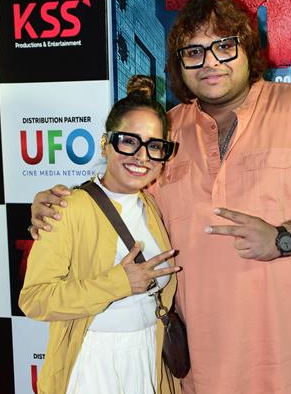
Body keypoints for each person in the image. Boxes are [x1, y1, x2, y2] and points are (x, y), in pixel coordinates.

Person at [29, 0, 291, 394]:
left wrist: (284, 238)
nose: (210, 62)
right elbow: (117, 196)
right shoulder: (164, 134)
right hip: (206, 375)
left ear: (247, 49)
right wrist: (59, 203)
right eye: (194, 51)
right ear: (180, 64)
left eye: (224, 46)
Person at [20, 76, 182, 394]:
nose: (142, 157)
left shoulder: (151, 205)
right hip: (93, 362)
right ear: (105, 144)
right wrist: (119, 283)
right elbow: (35, 300)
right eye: (129, 142)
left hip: (146, 354)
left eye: (154, 146)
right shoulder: (69, 207)